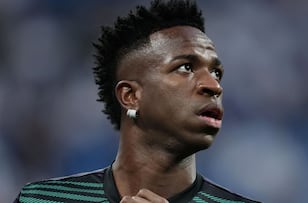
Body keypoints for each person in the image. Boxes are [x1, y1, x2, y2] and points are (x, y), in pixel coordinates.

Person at [14, 0, 260, 202]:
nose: (213, 86)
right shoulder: (44, 199)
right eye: (185, 68)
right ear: (130, 96)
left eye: (216, 72)